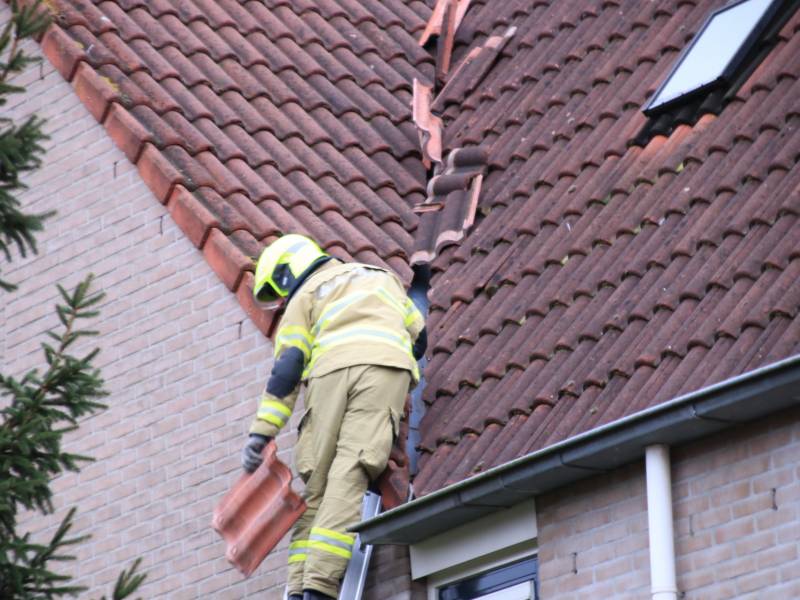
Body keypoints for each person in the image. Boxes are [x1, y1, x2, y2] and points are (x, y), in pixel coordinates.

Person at [241, 234, 427, 600]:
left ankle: (300, 590)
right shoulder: (381, 277)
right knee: (351, 473)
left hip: (328, 376)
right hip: (383, 370)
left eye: (278, 291)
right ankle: (318, 589)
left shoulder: (304, 297)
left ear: (285, 274)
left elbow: (289, 368)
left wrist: (261, 433)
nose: (280, 301)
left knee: (318, 487)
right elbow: (420, 338)